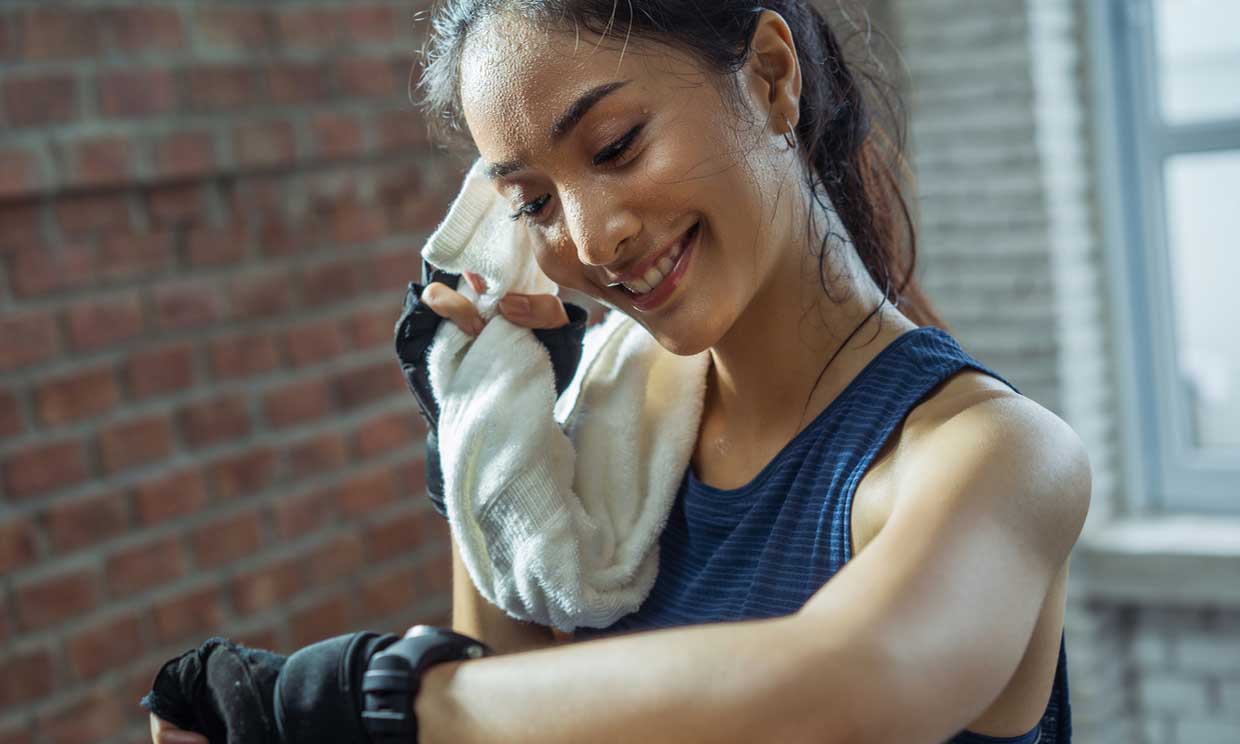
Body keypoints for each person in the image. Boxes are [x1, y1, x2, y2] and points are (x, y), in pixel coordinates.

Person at [149, 2, 1091, 742]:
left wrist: (379, 703)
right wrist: (482, 423)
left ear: (769, 77)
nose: (592, 241)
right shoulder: (610, 436)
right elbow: (521, 706)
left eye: (615, 147)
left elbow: (854, 687)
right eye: (533, 202)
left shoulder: (994, 457)